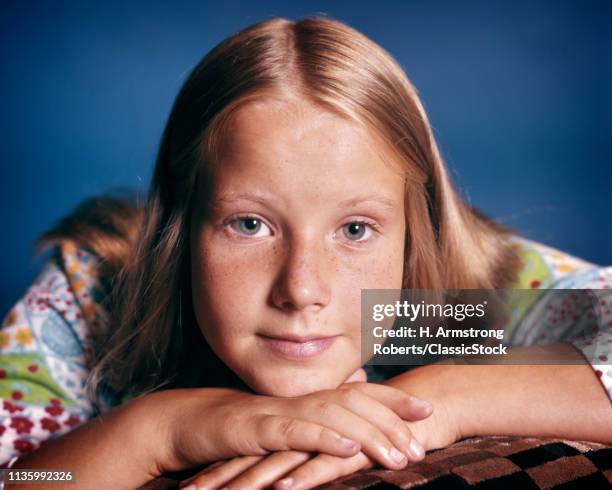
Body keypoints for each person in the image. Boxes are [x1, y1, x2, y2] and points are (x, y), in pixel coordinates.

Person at [0, 16, 610, 490]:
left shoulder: (439, 315)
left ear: (411, 231)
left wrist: (441, 398)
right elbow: (26, 478)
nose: (302, 289)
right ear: (182, 228)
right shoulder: (96, 293)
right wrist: (154, 432)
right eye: (249, 224)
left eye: (354, 231)